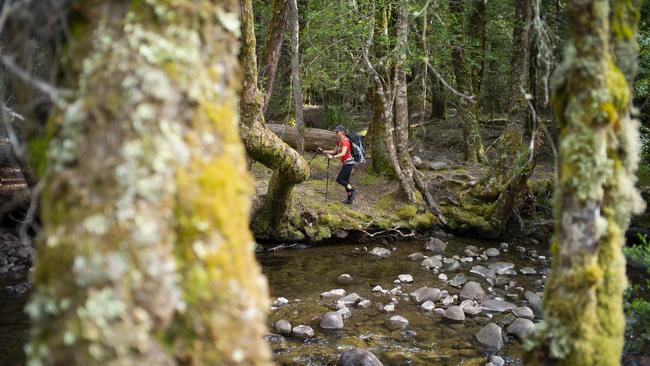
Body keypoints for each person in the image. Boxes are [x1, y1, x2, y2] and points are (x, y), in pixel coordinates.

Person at [318, 125, 357, 204]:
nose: (336, 133)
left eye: (337, 132)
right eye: (336, 132)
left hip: (349, 163)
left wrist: (332, 157)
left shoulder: (346, 141)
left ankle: (353, 190)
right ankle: (350, 199)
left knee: (339, 179)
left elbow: (343, 153)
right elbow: (334, 151)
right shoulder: (340, 142)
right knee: (346, 181)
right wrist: (323, 151)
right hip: (346, 163)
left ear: (342, 132)